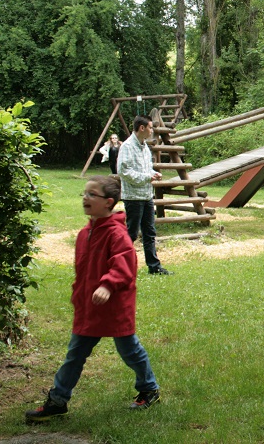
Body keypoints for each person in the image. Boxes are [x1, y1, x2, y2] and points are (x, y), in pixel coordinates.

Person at [25, 175, 161, 422]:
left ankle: (149, 388)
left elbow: (124, 265)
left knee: (130, 351)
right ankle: (58, 400)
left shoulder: (118, 234)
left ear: (109, 202)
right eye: (84, 194)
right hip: (90, 306)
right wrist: (80, 294)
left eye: (91, 194)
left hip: (114, 306)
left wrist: (108, 286)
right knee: (75, 354)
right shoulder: (84, 233)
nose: (85, 198)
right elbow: (85, 270)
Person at [117, 116, 173, 275]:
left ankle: (154, 267)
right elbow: (124, 171)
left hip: (147, 195)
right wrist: (147, 177)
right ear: (141, 128)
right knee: (132, 233)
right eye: (150, 128)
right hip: (133, 197)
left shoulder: (145, 147)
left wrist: (154, 173)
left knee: (149, 232)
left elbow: (146, 168)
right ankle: (121, 266)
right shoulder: (127, 146)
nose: (152, 131)